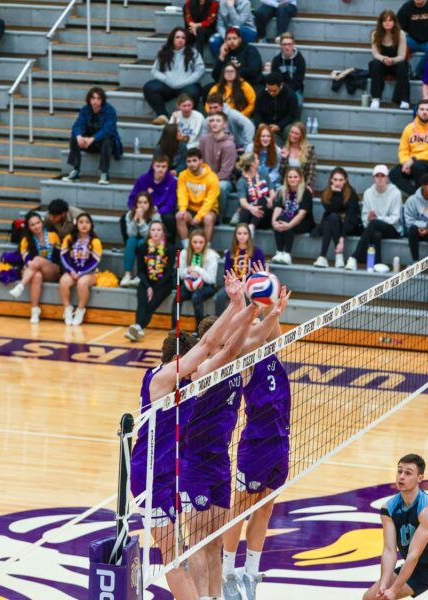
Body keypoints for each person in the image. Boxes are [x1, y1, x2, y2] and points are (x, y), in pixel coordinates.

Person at [127, 274, 253, 600]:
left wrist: (247, 310)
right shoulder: (160, 379)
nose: (197, 364)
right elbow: (208, 345)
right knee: (174, 555)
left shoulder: (192, 381)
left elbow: (221, 352)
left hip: (171, 472)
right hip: (150, 474)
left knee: (185, 548)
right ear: (174, 361)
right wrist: (236, 304)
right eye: (190, 359)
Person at [221, 291, 291, 600]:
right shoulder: (246, 359)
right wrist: (256, 310)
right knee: (240, 509)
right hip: (256, 444)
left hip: (280, 442)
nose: (258, 330)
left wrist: (270, 302)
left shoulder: (272, 352)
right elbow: (260, 331)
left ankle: (250, 573)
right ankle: (225, 572)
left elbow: (273, 330)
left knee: (265, 507)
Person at [363, 454, 428, 600]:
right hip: (417, 569)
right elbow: (389, 550)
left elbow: (413, 554)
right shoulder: (388, 509)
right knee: (370, 598)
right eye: (399, 471)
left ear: (419, 478)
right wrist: (384, 584)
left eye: (408, 473)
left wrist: (395, 589)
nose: (401, 476)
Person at [7, 211, 61, 323]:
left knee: (37, 260)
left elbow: (59, 257)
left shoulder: (53, 236)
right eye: (32, 225)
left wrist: (38, 263)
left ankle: (21, 285)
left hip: (52, 269)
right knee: (36, 276)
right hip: (34, 270)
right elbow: (26, 259)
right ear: (29, 227)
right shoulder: (26, 240)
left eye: (38, 223)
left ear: (42, 222)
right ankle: (35, 310)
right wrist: (32, 264)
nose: (36, 226)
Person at [62, 86, 122, 186]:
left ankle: (104, 173)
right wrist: (79, 137)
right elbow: (78, 125)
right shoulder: (85, 110)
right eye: (93, 98)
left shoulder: (110, 111)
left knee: (107, 140)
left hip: (105, 144)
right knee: (74, 138)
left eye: (98, 98)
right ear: (89, 99)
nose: (95, 101)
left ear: (102, 100)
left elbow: (108, 130)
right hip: (90, 143)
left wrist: (92, 139)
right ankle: (76, 171)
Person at [145, 28, 206, 125]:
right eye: (177, 37)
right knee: (149, 87)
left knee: (194, 91)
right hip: (168, 85)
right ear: (172, 39)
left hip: (186, 86)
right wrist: (166, 80)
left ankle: (185, 117)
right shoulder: (164, 52)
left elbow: (200, 70)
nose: (180, 40)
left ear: (186, 40)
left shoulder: (193, 52)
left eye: (183, 37)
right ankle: (162, 115)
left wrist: (186, 81)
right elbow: (154, 70)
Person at [125, 221, 174, 341]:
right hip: (146, 282)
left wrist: (155, 288)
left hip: (163, 283)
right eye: (153, 230)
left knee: (150, 304)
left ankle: (137, 327)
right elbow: (141, 271)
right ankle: (138, 329)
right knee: (142, 303)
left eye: (159, 229)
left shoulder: (170, 248)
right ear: (149, 233)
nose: (156, 232)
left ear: (163, 233)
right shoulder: (143, 248)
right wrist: (148, 287)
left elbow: (169, 272)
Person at [347, 164, 403, 270]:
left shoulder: (395, 193)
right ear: (374, 178)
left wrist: (377, 219)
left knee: (374, 224)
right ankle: (378, 264)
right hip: (373, 227)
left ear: (387, 178)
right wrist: (369, 219)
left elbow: (395, 218)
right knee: (376, 234)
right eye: (377, 176)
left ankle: (354, 257)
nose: (380, 179)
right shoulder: (368, 193)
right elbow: (365, 218)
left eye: (383, 176)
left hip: (393, 228)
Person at [390, 99, 428, 196]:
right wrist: (405, 162)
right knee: (393, 173)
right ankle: (416, 195)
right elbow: (403, 149)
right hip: (413, 163)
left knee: (418, 165)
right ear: (417, 112)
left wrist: (413, 160)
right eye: (422, 109)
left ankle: (422, 195)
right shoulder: (409, 128)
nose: (425, 112)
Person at [313, 167, 361, 268]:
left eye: (340, 180)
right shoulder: (326, 193)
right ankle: (337, 256)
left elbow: (350, 218)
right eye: (335, 179)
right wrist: (337, 194)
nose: (337, 183)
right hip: (332, 223)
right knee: (332, 218)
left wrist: (342, 240)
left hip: (348, 226)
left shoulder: (351, 194)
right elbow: (332, 210)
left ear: (345, 180)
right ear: (331, 180)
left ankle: (324, 256)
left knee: (330, 220)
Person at [172, 228, 219, 331]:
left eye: (201, 242)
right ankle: (175, 328)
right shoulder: (184, 253)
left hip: (207, 286)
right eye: (195, 242)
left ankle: (198, 330)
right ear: (190, 242)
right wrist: (188, 271)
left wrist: (197, 269)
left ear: (205, 242)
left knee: (196, 297)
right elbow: (180, 273)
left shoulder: (211, 255)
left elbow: (211, 279)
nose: (198, 245)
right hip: (189, 283)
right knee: (178, 296)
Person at [58, 213, 100, 326]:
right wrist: (71, 270)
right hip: (73, 271)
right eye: (81, 222)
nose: (84, 225)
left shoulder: (95, 241)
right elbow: (63, 256)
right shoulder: (69, 238)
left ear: (91, 225)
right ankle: (67, 308)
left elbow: (95, 262)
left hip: (90, 272)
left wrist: (81, 273)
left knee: (82, 283)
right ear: (76, 224)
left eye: (87, 222)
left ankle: (81, 310)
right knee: (63, 282)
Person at [214, 223, 265, 314]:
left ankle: (254, 324)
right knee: (220, 297)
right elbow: (226, 273)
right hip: (234, 285)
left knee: (254, 299)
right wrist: (233, 283)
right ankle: (219, 324)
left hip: (250, 286)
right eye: (239, 233)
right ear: (235, 235)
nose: (242, 236)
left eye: (245, 233)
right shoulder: (230, 252)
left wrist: (247, 285)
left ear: (249, 235)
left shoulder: (257, 252)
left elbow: (262, 273)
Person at [125, 155, 178, 242]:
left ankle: (169, 246)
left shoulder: (172, 181)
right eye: (158, 166)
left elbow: (170, 204)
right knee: (125, 218)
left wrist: (156, 211)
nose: (160, 169)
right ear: (153, 166)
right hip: (142, 207)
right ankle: (128, 244)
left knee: (169, 219)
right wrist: (135, 210)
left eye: (163, 167)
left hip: (160, 211)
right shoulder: (143, 179)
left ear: (167, 167)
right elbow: (132, 198)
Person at [177, 148, 220, 243]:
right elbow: (182, 194)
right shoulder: (182, 175)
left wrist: (198, 217)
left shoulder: (212, 178)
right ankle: (187, 247)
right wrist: (183, 209)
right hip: (190, 209)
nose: (191, 164)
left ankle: (206, 249)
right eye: (188, 161)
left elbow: (210, 201)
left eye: (194, 160)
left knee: (208, 218)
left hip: (208, 210)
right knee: (179, 216)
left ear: (201, 161)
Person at [271, 166, 313, 264]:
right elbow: (278, 208)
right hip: (286, 219)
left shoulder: (306, 192)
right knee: (279, 219)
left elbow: (302, 214)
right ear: (286, 178)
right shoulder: (282, 191)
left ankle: (287, 254)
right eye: (290, 177)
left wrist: (289, 225)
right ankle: (279, 252)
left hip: (303, 223)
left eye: (295, 177)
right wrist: (273, 222)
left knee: (286, 220)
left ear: (300, 178)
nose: (292, 179)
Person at [368, 10, 409, 110]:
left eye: (390, 20)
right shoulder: (375, 33)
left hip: (396, 63)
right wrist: (384, 59)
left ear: (394, 22)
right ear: (381, 23)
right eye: (385, 20)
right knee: (375, 63)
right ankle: (376, 98)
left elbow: (402, 56)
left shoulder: (401, 34)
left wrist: (392, 60)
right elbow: (375, 53)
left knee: (403, 65)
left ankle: (404, 100)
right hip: (381, 64)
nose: (387, 22)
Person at [120, 191, 161, 288]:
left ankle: (140, 275)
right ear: (136, 204)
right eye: (140, 202)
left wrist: (142, 220)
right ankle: (127, 275)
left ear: (149, 204)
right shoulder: (129, 215)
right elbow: (131, 234)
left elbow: (150, 235)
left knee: (142, 243)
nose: (142, 205)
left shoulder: (155, 215)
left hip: (151, 242)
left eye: (145, 202)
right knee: (131, 241)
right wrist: (135, 220)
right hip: (135, 239)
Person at [237, 151, 275, 235]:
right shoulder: (242, 181)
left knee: (262, 199)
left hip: (265, 215)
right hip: (252, 213)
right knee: (244, 211)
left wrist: (270, 199)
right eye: (257, 159)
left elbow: (272, 192)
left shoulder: (264, 175)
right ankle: (249, 228)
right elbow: (243, 202)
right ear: (252, 164)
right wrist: (252, 208)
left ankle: (251, 227)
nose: (259, 160)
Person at [253, 72, 298, 139]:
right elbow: (257, 112)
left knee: (290, 131)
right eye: (269, 90)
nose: (271, 93)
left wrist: (279, 126)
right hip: (265, 123)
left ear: (281, 85)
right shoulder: (261, 94)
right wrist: (259, 123)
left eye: (274, 91)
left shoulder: (290, 95)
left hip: (283, 124)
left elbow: (292, 115)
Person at [271, 32, 306, 108]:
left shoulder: (300, 60)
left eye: (289, 44)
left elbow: (299, 81)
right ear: (280, 45)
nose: (287, 47)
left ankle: (295, 120)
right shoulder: (276, 60)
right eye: (284, 44)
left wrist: (287, 92)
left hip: (296, 90)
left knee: (298, 103)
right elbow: (274, 79)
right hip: (279, 90)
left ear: (293, 45)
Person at [279, 121, 316, 191]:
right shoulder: (285, 148)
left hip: (303, 185)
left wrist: (308, 186)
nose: (293, 135)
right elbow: (282, 172)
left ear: (302, 135)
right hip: (288, 185)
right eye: (292, 132)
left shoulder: (309, 149)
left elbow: (311, 172)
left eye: (296, 134)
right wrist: (284, 158)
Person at [245, 124, 282, 190]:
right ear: (258, 137)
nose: (265, 139)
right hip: (252, 178)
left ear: (271, 138)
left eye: (268, 136)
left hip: (269, 180)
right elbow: (246, 167)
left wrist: (265, 180)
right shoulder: (250, 148)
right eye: (263, 136)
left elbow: (276, 171)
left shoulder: (277, 150)